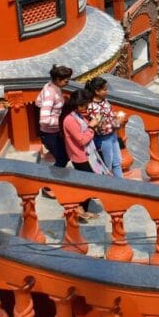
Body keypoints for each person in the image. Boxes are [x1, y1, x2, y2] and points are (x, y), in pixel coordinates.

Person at [60, 89, 103, 222]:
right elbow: (82, 140)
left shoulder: (79, 116)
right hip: (80, 156)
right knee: (88, 184)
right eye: (84, 105)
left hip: (87, 154)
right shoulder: (69, 120)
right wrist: (91, 127)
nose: (86, 108)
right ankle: (78, 208)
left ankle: (82, 208)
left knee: (88, 183)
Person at [35, 65, 72, 188]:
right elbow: (44, 120)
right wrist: (61, 122)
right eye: (66, 80)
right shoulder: (51, 93)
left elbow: (37, 101)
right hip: (50, 133)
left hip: (53, 131)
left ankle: (54, 181)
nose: (68, 83)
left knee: (64, 156)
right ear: (57, 79)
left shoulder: (50, 86)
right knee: (62, 159)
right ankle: (47, 186)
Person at [85, 76, 126, 178]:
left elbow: (107, 115)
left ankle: (122, 184)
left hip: (112, 136)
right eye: (104, 89)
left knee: (117, 162)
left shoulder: (104, 101)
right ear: (97, 91)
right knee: (107, 166)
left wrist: (114, 115)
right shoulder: (93, 107)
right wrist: (118, 122)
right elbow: (101, 128)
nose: (107, 91)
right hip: (104, 139)